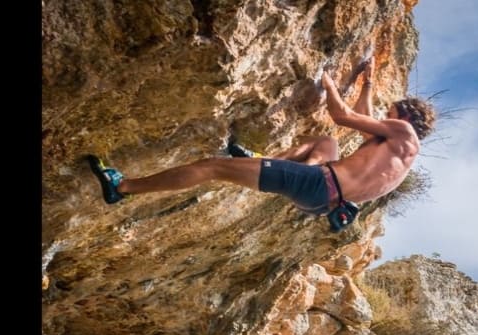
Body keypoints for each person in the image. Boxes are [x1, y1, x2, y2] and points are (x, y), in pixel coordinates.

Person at [87, 58, 435, 220]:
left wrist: (328, 80)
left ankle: (123, 188)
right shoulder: (401, 153)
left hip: (317, 184)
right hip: (321, 203)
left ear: (404, 117)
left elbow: (344, 115)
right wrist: (367, 82)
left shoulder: (402, 131)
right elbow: (364, 121)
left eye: (391, 113)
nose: (385, 118)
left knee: (212, 167)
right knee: (326, 143)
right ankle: (271, 158)